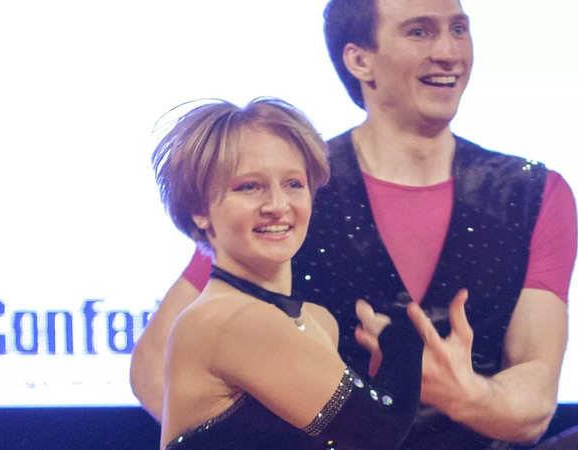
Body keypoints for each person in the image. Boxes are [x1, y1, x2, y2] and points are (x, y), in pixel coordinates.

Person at [131, 1, 577, 449]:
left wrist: (465, 393)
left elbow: (535, 399)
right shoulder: (290, 189)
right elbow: (155, 364)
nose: (448, 52)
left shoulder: (534, 193)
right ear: (359, 59)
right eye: (419, 31)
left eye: (458, 29)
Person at [151, 97, 423, 450]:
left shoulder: (317, 321)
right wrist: (404, 337)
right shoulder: (227, 320)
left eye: (294, 184)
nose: (278, 206)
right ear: (199, 209)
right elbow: (375, 431)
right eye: (249, 186)